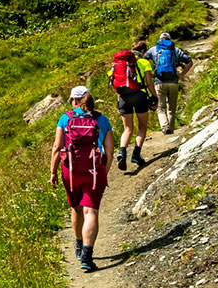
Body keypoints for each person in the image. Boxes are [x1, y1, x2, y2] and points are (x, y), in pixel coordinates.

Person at [50, 85, 114, 273]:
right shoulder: (102, 119)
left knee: (75, 208)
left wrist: (53, 172)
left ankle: (78, 245)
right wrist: (104, 171)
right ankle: (87, 256)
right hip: (94, 171)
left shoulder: (65, 118)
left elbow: (56, 146)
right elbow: (109, 151)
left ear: (76, 100)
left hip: (70, 171)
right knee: (91, 212)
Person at [110, 49, 151, 171]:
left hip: (123, 98)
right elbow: (149, 82)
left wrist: (119, 102)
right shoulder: (143, 62)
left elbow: (115, 85)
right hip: (139, 95)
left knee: (127, 129)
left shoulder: (116, 66)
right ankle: (136, 154)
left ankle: (122, 152)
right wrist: (154, 96)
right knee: (142, 127)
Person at [147, 32, 194, 133]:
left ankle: (165, 127)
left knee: (161, 107)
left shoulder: (153, 49)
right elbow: (190, 61)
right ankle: (171, 130)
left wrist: (150, 74)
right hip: (173, 82)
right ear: (170, 40)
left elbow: (143, 61)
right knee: (171, 108)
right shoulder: (175, 50)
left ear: (160, 40)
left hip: (159, 81)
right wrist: (181, 75)